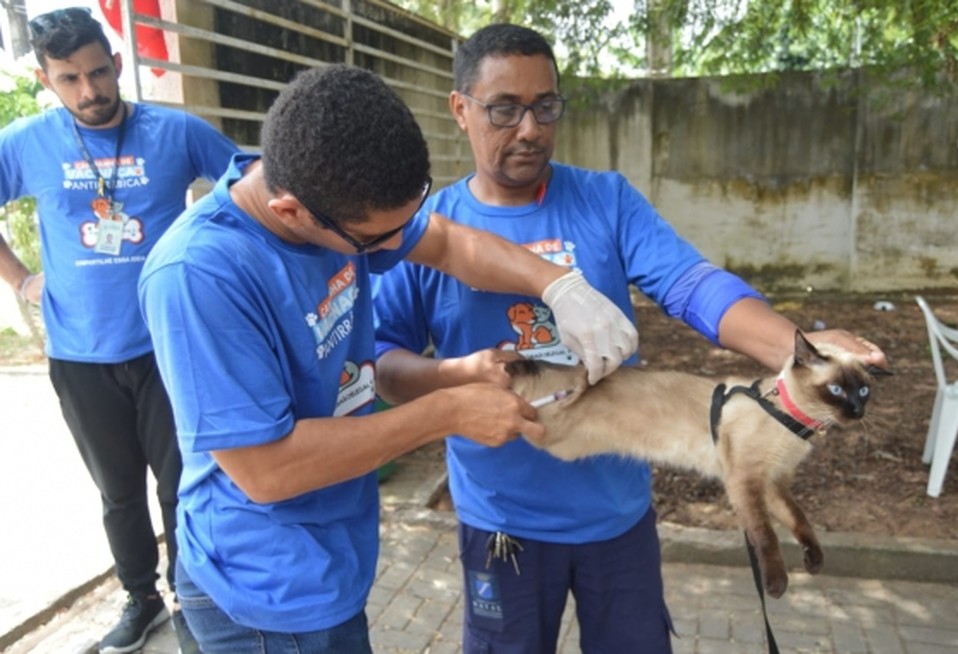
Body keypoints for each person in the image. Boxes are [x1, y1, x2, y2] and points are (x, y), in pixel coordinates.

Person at [371, 23, 887, 654]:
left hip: (614, 521)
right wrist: (457, 380)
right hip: (501, 520)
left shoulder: (604, 199)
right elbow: (385, 364)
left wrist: (797, 349)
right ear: (460, 109)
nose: (530, 128)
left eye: (545, 106)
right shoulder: (426, 232)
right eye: (504, 109)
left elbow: (692, 284)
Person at [136, 62, 637, 652]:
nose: (398, 247)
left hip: (331, 561)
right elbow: (266, 470)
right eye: (376, 241)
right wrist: (448, 412)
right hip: (266, 592)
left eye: (406, 223)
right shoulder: (200, 276)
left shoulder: (332, 191)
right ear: (291, 211)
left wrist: (558, 285)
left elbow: (447, 242)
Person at [0, 7, 240, 653]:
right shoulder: (25, 143)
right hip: (80, 354)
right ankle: (142, 599)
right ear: (47, 79)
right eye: (70, 78)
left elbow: (248, 189)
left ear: (118, 64)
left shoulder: (176, 132)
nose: (90, 92)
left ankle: (194, 599)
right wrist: (21, 279)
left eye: (99, 73)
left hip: (169, 346)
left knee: (182, 483)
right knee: (118, 493)